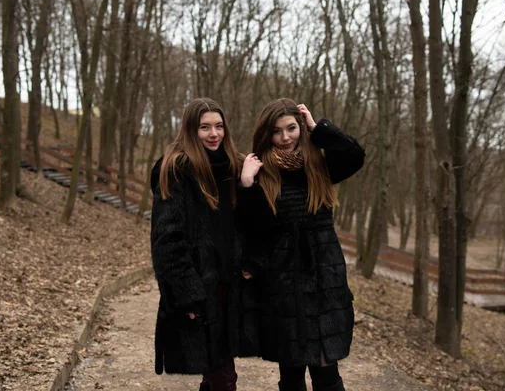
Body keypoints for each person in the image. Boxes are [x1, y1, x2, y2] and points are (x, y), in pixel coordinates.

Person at [238, 98, 365, 391]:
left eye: (292, 128)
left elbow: (355, 155)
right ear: (266, 134)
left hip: (323, 275)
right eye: (277, 131)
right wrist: (246, 185)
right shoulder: (260, 169)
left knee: (326, 370)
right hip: (282, 280)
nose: (285, 138)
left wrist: (318, 128)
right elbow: (253, 226)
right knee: (292, 372)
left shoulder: (319, 163)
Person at [150, 98, 250, 391]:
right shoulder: (177, 168)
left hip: (230, 288)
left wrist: (247, 186)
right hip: (200, 287)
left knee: (216, 371)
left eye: (219, 126)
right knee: (223, 376)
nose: (214, 134)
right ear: (191, 131)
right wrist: (187, 294)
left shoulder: (235, 166)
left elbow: (248, 223)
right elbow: (166, 239)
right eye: (204, 127)